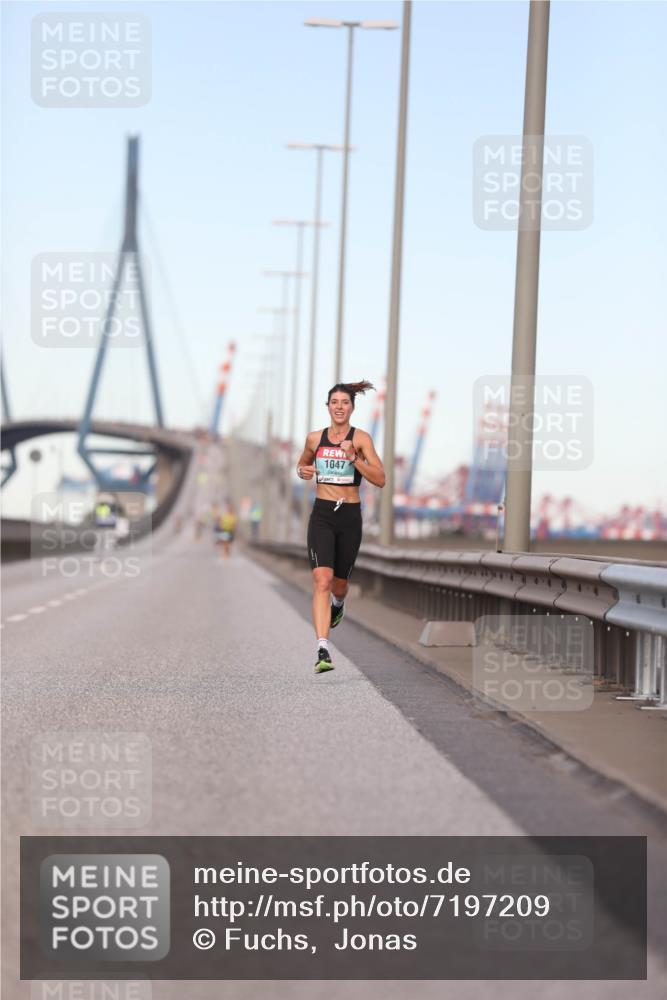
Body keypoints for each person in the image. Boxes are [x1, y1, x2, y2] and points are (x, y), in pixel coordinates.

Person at [296, 380, 385, 674]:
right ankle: (323, 648)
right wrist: (302, 470)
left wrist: (354, 459)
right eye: (334, 402)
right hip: (322, 514)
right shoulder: (313, 438)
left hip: (349, 516)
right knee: (321, 580)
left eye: (344, 402)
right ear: (328, 406)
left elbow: (380, 478)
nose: (339, 407)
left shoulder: (361, 439)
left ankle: (339, 602)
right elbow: (302, 465)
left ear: (352, 408)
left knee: (339, 584)